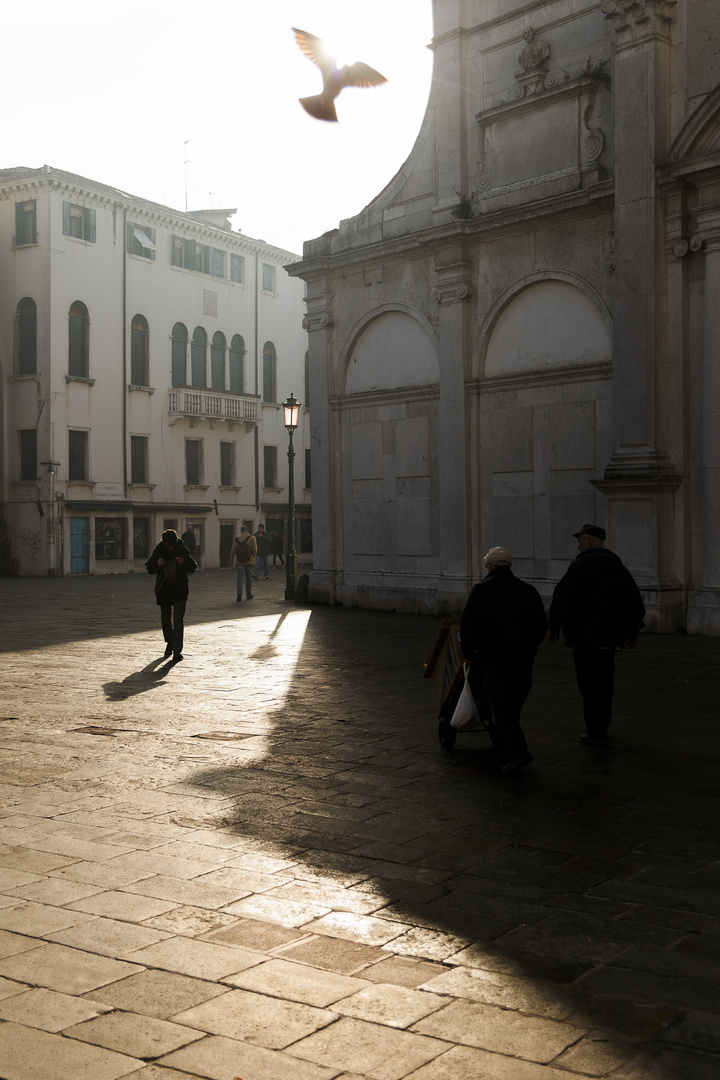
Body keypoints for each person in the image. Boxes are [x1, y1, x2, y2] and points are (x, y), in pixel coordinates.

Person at [548, 524, 646, 746]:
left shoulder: (580, 565)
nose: (578, 545)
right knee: (605, 683)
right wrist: (633, 630)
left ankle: (595, 731)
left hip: (584, 639)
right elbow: (633, 600)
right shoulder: (617, 565)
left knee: (589, 684)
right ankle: (602, 728)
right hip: (610, 638)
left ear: (589, 541)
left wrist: (554, 626)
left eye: (580, 540)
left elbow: (562, 597)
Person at [460, 546, 548, 774]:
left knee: (501, 707)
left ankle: (517, 752)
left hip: (494, 660)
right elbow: (541, 625)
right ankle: (501, 746)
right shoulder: (527, 590)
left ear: (488, 566)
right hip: (523, 660)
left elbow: (469, 626)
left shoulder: (481, 590)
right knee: (511, 705)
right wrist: (530, 648)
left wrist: (468, 653)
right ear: (510, 566)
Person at [145, 528, 198, 662]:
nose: (171, 548)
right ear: (165, 543)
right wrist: (158, 564)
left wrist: (183, 562)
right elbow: (150, 568)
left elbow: (193, 567)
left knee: (178, 620)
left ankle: (177, 651)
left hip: (180, 589)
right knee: (165, 619)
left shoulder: (181, 548)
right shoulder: (160, 549)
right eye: (169, 546)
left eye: (173, 545)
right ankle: (170, 642)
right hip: (164, 589)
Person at [233, 526, 257, 601]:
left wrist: (231, 561)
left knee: (240, 577)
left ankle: (239, 593)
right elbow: (255, 549)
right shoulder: (252, 538)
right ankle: (248, 594)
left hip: (240, 561)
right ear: (247, 530)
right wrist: (253, 556)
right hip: (249, 561)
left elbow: (233, 550)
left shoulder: (237, 539)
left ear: (241, 531)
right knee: (248, 578)